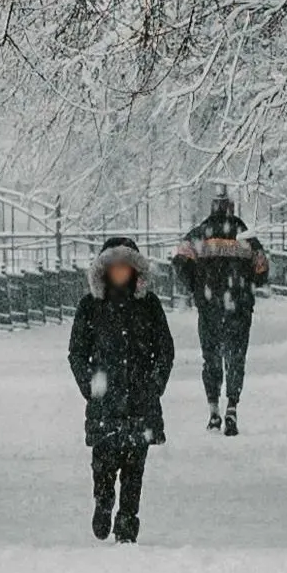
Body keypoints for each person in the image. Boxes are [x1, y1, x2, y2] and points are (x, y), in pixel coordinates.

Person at [67, 236, 174, 542]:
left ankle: (128, 519)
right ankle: (103, 502)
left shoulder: (148, 306)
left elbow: (164, 349)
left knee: (134, 468)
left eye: (125, 267)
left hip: (140, 401)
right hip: (104, 403)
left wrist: (153, 385)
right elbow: (77, 351)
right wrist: (91, 387)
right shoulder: (91, 306)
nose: (119, 272)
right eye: (113, 267)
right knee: (103, 463)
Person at [171, 191, 270, 434]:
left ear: (213, 207)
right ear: (232, 208)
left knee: (211, 357)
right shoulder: (245, 235)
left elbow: (179, 261)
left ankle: (213, 409)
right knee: (236, 358)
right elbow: (262, 268)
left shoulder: (199, 234)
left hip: (209, 307)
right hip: (239, 308)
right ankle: (232, 407)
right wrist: (246, 285)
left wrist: (196, 286)